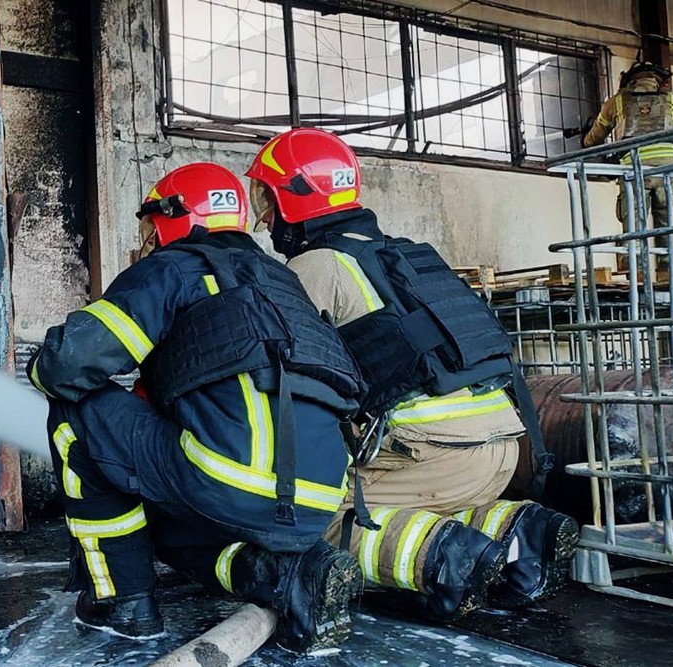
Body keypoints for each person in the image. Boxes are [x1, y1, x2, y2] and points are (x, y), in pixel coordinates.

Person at [27, 162, 367, 653]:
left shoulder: (172, 269)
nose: (146, 238)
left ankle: (122, 604)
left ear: (175, 216)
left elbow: (67, 366)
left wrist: (42, 368)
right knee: (162, 513)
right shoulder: (282, 282)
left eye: (149, 224)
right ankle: (280, 574)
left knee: (77, 413)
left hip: (226, 476)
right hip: (318, 499)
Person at [246, 128, 579, 620]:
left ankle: (443, 560)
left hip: (431, 455)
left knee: (302, 516)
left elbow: (273, 367)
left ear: (295, 198)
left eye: (266, 199)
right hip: (504, 451)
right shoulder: (409, 257)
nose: (265, 216)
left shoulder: (318, 265)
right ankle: (518, 532)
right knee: (411, 503)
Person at [582, 61, 673, 278]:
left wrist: (585, 140)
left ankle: (638, 276)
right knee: (671, 222)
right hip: (669, 170)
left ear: (631, 79)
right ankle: (672, 275)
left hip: (634, 170)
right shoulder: (672, 99)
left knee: (633, 222)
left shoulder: (617, 101)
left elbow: (596, 136)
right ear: (656, 79)